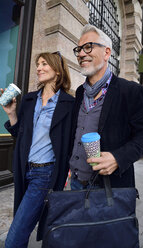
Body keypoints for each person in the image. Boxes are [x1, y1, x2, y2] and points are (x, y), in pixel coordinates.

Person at [0, 52, 74, 247]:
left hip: (44, 173)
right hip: (24, 169)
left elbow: (71, 141)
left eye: (44, 64)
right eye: (38, 64)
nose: (39, 68)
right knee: (22, 225)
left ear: (57, 71)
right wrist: (11, 113)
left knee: (15, 235)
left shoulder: (69, 103)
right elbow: (19, 134)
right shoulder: (29, 99)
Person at [69, 24, 143, 191]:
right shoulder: (80, 92)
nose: (80, 54)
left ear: (106, 52)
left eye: (88, 47)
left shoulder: (130, 91)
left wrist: (118, 158)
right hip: (76, 183)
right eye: (78, 49)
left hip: (109, 189)